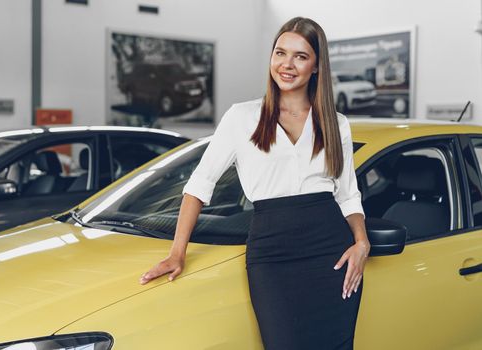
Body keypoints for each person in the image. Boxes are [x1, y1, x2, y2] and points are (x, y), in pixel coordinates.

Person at [140, 16, 370, 350]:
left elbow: (349, 194)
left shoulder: (337, 124)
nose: (286, 64)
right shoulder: (242, 117)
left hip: (330, 252)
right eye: (280, 53)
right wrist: (178, 252)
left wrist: (362, 243)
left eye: (300, 56)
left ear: (317, 66)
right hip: (272, 255)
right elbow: (200, 184)